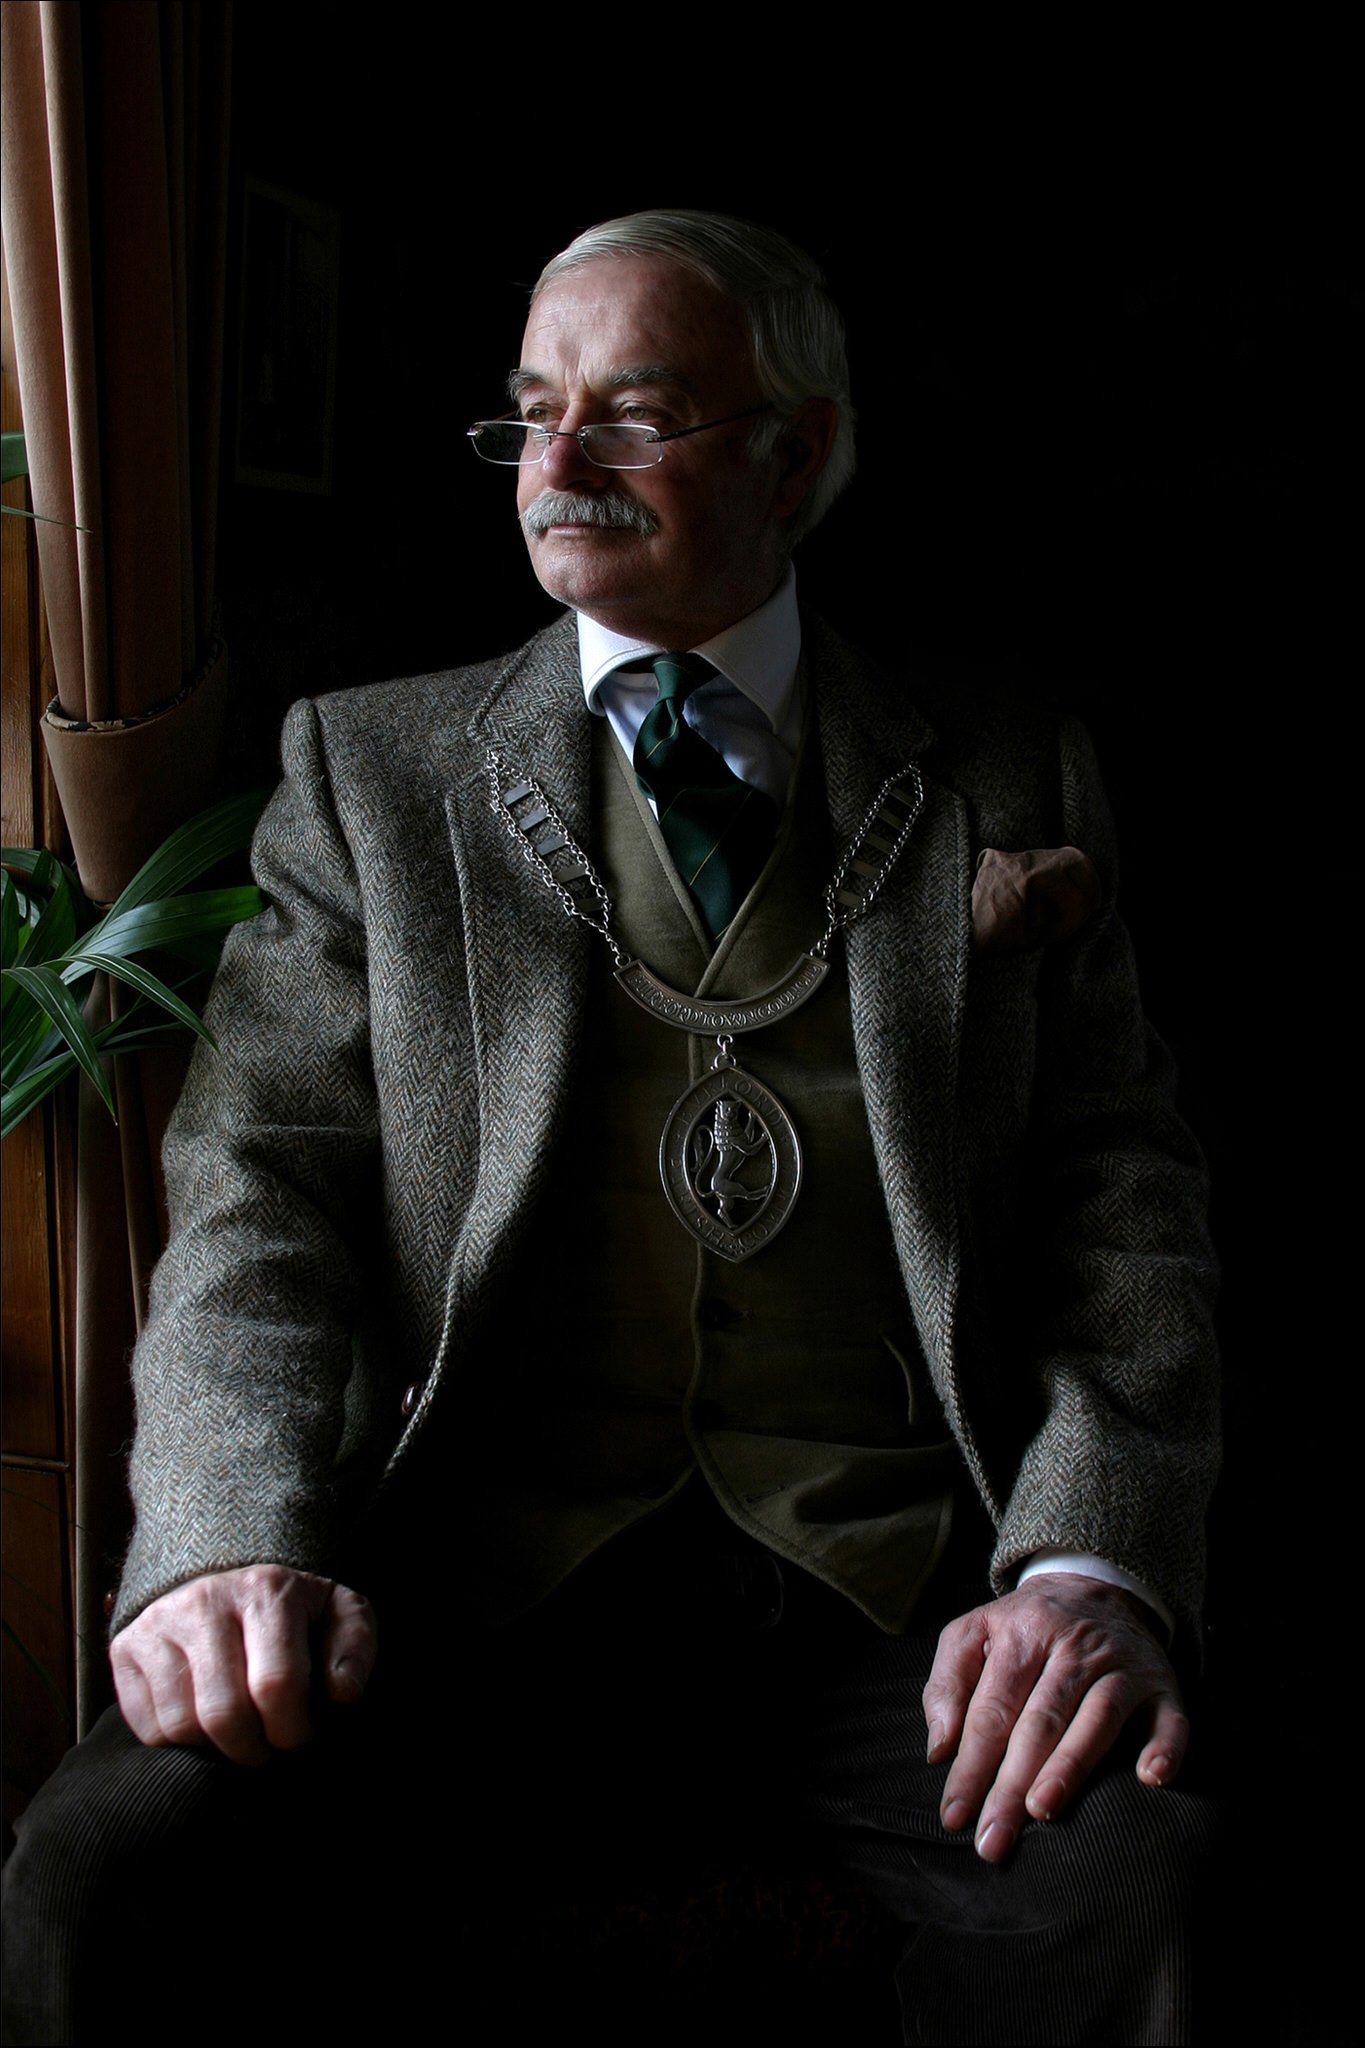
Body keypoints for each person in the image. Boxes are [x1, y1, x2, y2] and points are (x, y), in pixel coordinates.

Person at [2, 211, 1220, 2046]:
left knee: (1144, 1875)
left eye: (631, 417)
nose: (555, 465)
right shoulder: (371, 774)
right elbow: (260, 1201)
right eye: (527, 414)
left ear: (793, 455)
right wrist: (224, 1542)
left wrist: (1084, 1568)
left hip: (896, 1606)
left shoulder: (1005, 767)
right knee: (101, 1873)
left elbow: (1123, 1221)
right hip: (461, 1600)